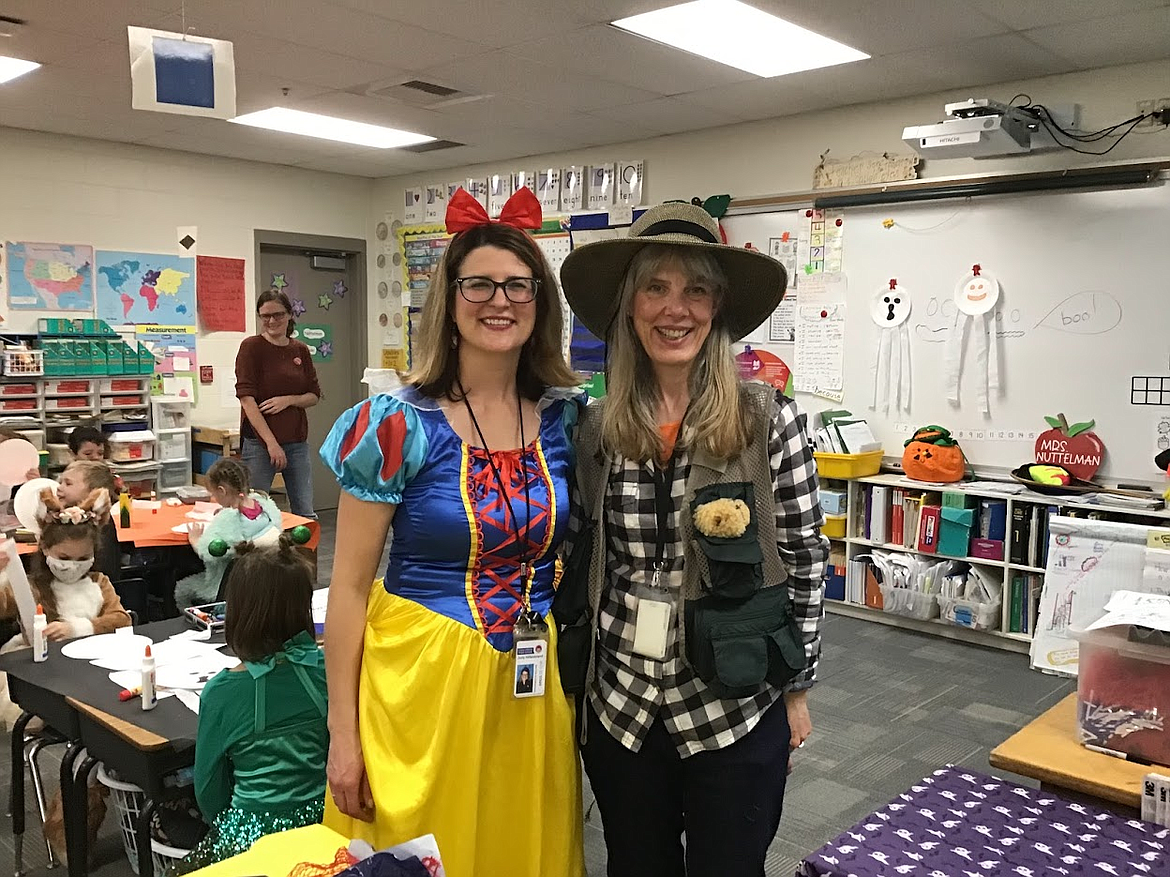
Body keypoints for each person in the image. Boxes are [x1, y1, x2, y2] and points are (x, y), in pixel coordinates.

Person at [319, 186, 585, 877]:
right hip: (420, 687)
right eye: (479, 284)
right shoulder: (394, 423)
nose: (499, 302)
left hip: (526, 688)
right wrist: (341, 738)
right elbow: (346, 590)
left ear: (541, 302)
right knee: (421, 857)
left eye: (518, 286)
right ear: (449, 298)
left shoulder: (563, 418)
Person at [559, 201, 829, 877]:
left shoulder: (769, 421)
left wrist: (796, 688)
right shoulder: (595, 428)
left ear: (717, 310)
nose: (674, 309)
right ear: (629, 305)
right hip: (622, 704)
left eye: (696, 289)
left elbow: (804, 557)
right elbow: (587, 556)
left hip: (733, 700)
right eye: (655, 286)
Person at [167, 538, 327, 875]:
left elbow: (209, 789)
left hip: (252, 838)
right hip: (323, 824)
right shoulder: (328, 670)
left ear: (236, 613)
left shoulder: (223, 692)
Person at [235, 289, 321, 519]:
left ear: (290, 315)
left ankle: (300, 556)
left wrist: (289, 400)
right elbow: (246, 399)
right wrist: (271, 444)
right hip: (260, 444)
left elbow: (313, 395)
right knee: (253, 512)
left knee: (305, 512)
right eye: (265, 316)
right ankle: (256, 556)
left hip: (296, 441)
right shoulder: (251, 347)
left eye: (278, 315)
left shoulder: (300, 350)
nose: (271, 321)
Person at [174, 459, 282, 608]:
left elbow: (209, 553)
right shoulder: (265, 504)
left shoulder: (228, 519)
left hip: (229, 585)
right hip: (267, 581)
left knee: (181, 589)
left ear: (222, 491)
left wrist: (195, 540)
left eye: (214, 494)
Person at [58, 461, 121, 581]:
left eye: (68, 483)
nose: (59, 487)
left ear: (93, 492)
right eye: (60, 482)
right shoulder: (72, 517)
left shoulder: (97, 521)